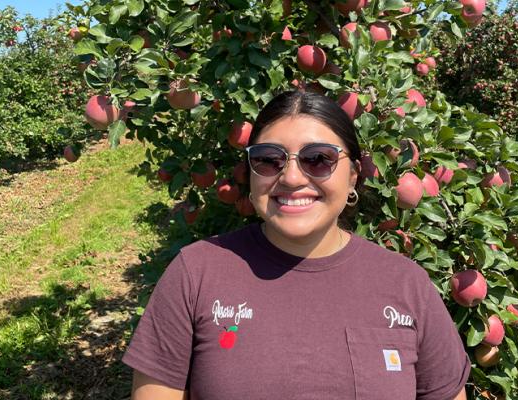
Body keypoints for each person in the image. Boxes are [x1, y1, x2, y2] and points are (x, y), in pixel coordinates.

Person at [122, 91, 470, 400]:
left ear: (352, 176)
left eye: (318, 158)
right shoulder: (196, 274)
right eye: (268, 159)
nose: (290, 177)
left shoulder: (406, 284)